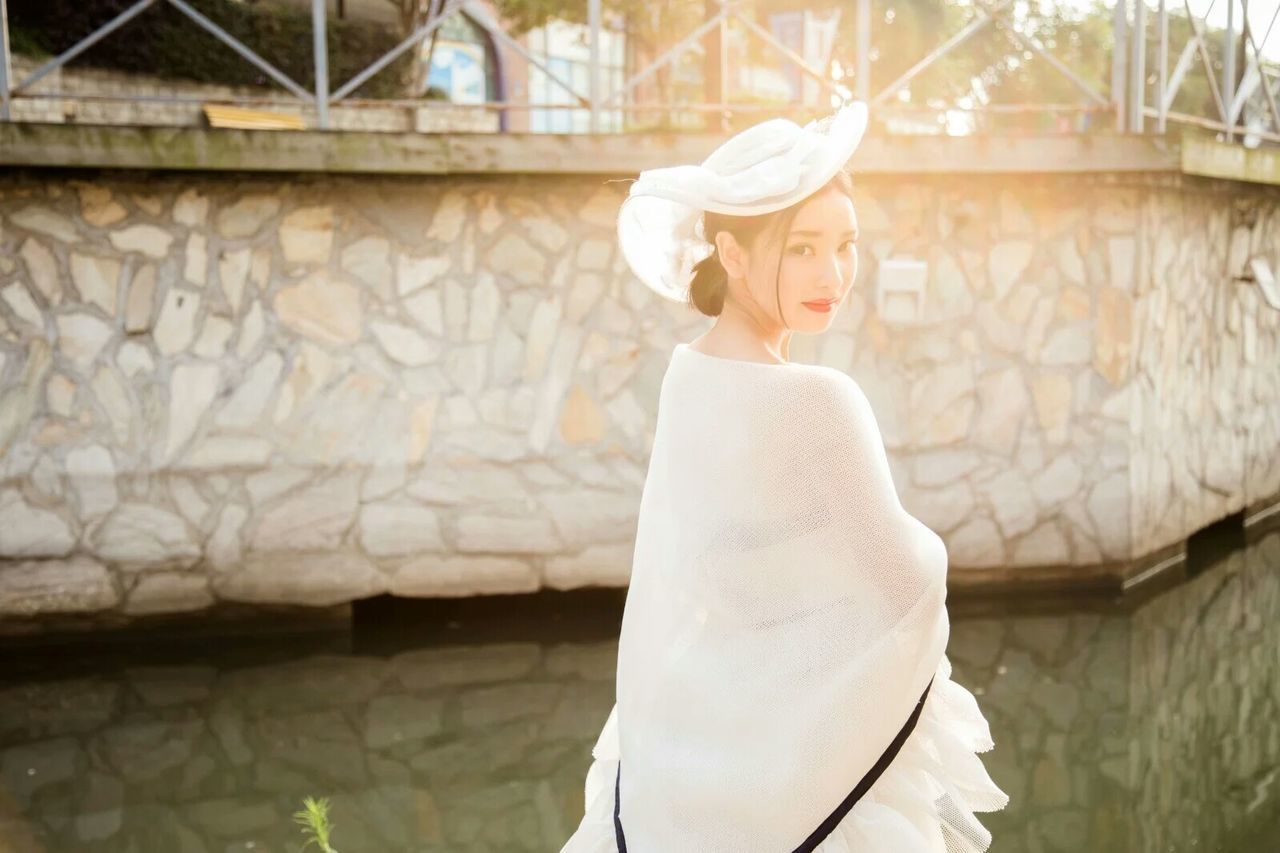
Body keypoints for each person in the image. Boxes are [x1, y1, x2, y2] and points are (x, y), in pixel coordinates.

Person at [560, 100, 1009, 853]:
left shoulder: (691, 373)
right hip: (792, 752)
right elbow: (905, 587)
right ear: (732, 254)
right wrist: (919, 550)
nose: (830, 273)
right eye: (801, 248)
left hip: (697, 748)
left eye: (845, 244)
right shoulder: (817, 400)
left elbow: (701, 571)